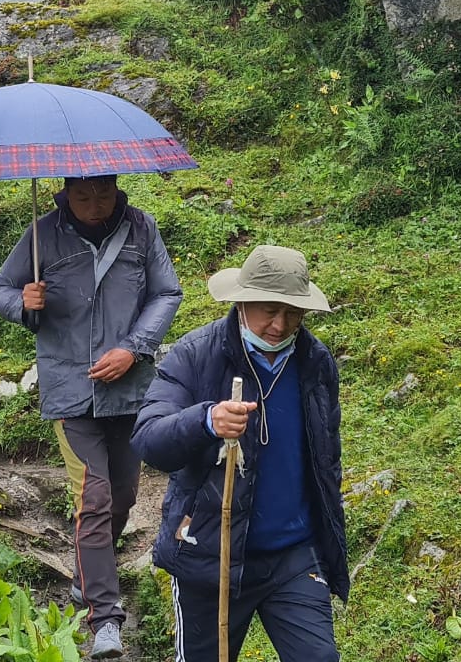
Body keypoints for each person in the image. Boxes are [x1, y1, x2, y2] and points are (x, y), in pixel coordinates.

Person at [0, 175, 182, 660]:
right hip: (70, 388)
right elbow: (3, 289)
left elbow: (167, 294)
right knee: (94, 498)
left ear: (117, 186)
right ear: (64, 191)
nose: (94, 205)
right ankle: (105, 618)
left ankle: (85, 575)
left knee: (124, 496)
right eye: (82, 196)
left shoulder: (142, 229)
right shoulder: (42, 234)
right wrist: (24, 304)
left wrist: (133, 348)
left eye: (103, 194)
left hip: (128, 389)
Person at [130, 245, 347, 662]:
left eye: (292, 312)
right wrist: (206, 421)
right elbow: (149, 440)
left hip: (294, 558)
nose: (280, 325)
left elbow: (326, 461)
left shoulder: (315, 363)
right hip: (211, 556)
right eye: (268, 310)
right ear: (242, 302)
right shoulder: (196, 355)